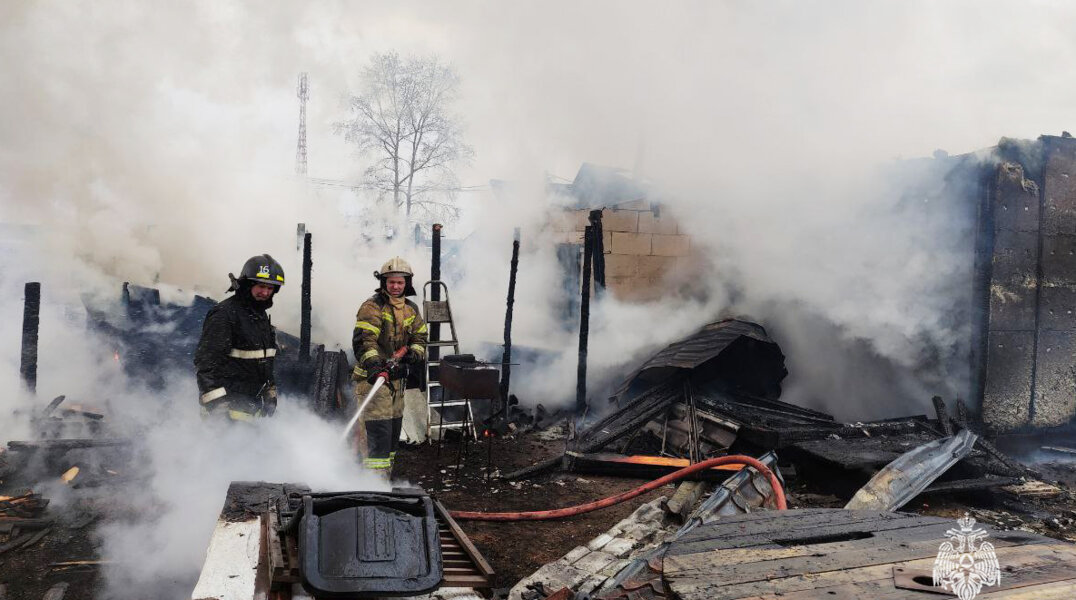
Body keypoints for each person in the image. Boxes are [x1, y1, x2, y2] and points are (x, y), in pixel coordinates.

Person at [351, 257, 428, 474]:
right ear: (384, 283)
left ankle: (385, 482)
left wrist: (412, 355)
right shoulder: (372, 307)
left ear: (407, 284)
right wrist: (375, 367)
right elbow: (365, 341)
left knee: (392, 433)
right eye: (391, 282)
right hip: (373, 381)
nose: (395, 286)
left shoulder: (411, 310)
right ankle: (370, 485)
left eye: (399, 282)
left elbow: (420, 338)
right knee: (377, 434)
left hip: (396, 383)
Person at [194, 254, 285, 422]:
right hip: (226, 413)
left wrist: (269, 390)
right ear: (248, 284)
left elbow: (263, 360)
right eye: (261, 286)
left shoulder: (260, 316)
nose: (265, 292)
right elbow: (206, 364)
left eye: (270, 288)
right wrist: (216, 405)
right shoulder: (225, 314)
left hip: (251, 409)